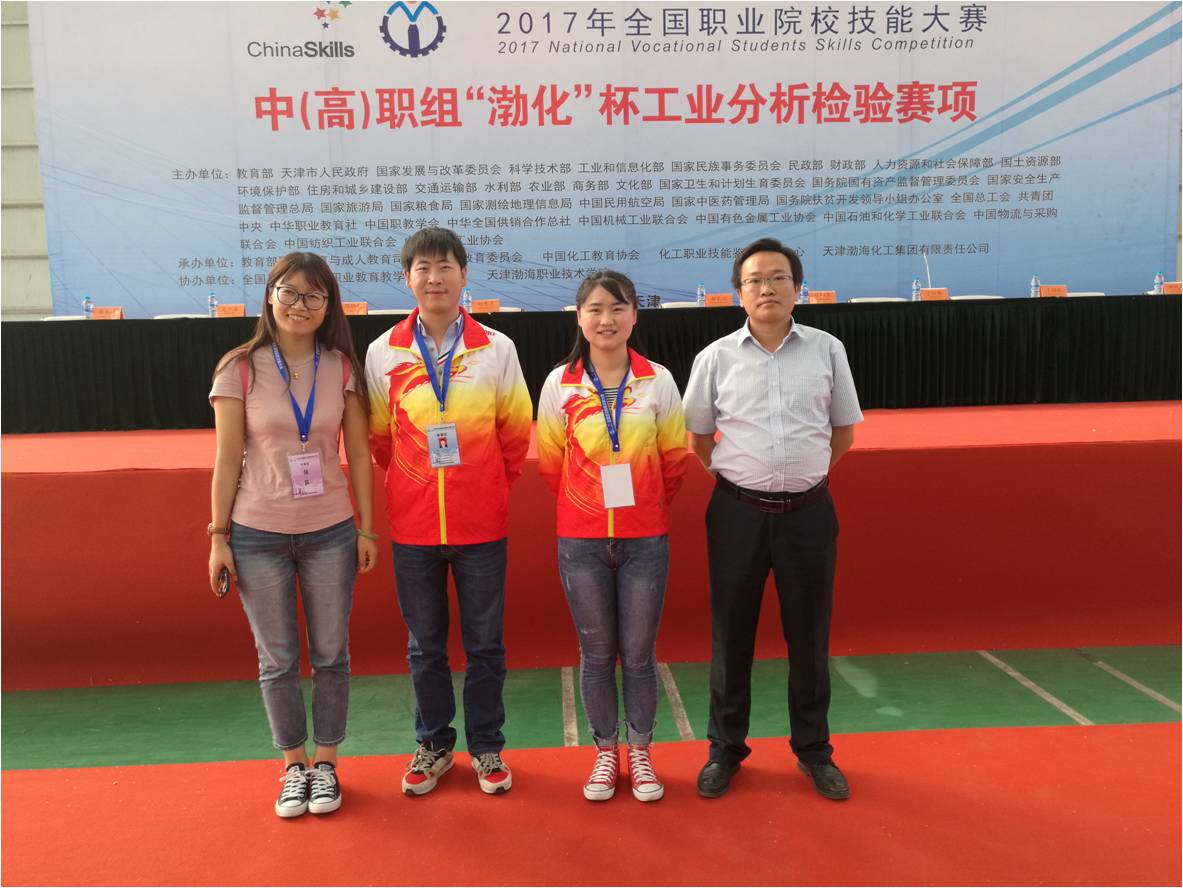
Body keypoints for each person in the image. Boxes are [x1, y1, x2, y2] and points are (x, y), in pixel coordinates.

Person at [682, 237, 863, 801]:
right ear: (739, 292)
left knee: (809, 636)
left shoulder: (827, 350)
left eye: (779, 277)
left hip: (808, 515)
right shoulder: (715, 357)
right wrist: (743, 482)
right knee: (730, 634)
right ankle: (724, 750)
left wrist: (804, 479)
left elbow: (843, 431)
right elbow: (698, 438)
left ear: (797, 288)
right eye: (755, 280)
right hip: (736, 515)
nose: (767, 288)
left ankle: (814, 751)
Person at [208, 252, 378, 818]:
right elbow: (226, 459)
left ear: (328, 306)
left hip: (330, 530)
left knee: (331, 653)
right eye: (290, 292)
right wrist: (218, 537)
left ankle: (325, 764)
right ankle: (293, 767)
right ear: (270, 295)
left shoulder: (342, 367)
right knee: (277, 658)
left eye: (313, 296)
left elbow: (358, 454)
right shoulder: (240, 368)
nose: (300, 305)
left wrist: (367, 528)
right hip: (257, 533)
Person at [364, 227, 532, 796]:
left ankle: (486, 747)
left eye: (445, 267)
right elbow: (380, 439)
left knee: (485, 645)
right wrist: (415, 485)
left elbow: (515, 432)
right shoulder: (383, 351)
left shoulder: (496, 348)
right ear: (407, 277)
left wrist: (484, 486)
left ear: (464, 275)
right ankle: (434, 744)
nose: (434, 278)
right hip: (413, 526)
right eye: (423, 268)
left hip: (481, 524)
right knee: (424, 647)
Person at [537, 271, 688, 802]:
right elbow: (551, 463)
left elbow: (674, 460)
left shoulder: (658, 381)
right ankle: (605, 752)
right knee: (597, 654)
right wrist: (587, 506)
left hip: (645, 539)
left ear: (634, 316)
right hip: (580, 542)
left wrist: (641, 505)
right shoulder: (559, 384)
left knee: (640, 654)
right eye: (596, 309)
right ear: (579, 318)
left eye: (618, 308)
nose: (607, 319)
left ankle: (640, 751)